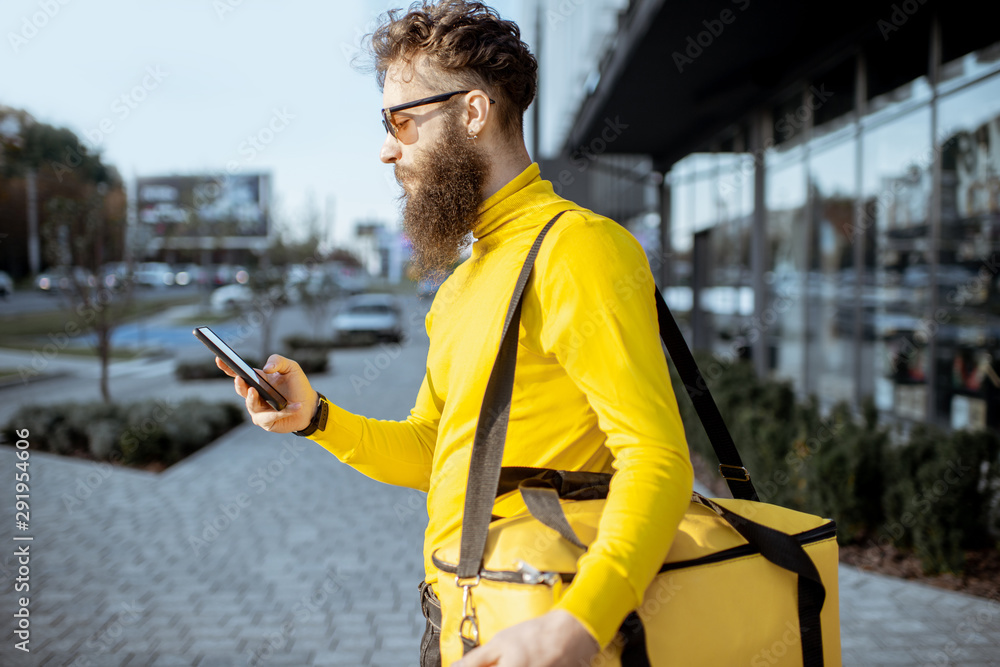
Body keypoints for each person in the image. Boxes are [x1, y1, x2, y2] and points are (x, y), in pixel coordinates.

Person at [217, 2, 694, 665]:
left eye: (402, 121)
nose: (387, 147)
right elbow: (434, 451)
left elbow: (657, 456)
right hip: (461, 610)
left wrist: (579, 625)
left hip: (547, 623)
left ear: (473, 112)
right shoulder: (461, 286)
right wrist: (315, 417)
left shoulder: (578, 249)